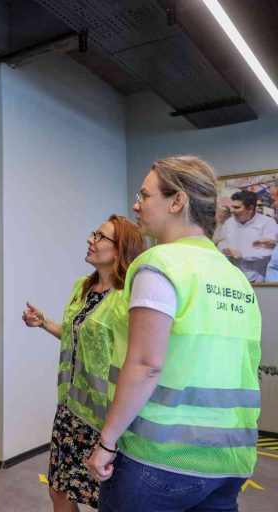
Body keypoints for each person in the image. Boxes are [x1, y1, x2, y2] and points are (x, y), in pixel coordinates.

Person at [87, 156, 262, 512]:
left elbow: (146, 364)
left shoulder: (161, 264)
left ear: (177, 201)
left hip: (159, 458)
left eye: (145, 195)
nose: (136, 205)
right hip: (229, 461)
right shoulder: (235, 276)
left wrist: (106, 442)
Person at [23, 215, 144, 511]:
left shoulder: (127, 297)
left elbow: (137, 357)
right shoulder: (83, 287)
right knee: (58, 490)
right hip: (70, 409)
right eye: (93, 233)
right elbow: (76, 337)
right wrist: (44, 323)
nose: (91, 239)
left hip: (107, 420)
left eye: (100, 236)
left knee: (107, 500)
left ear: (120, 250)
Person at [217, 189, 278, 282]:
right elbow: (222, 242)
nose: (232, 211)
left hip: (258, 278)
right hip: (234, 277)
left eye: (237, 207)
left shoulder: (267, 223)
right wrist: (224, 250)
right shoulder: (229, 223)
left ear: (250, 209)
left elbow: (269, 250)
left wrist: (242, 255)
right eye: (232, 207)